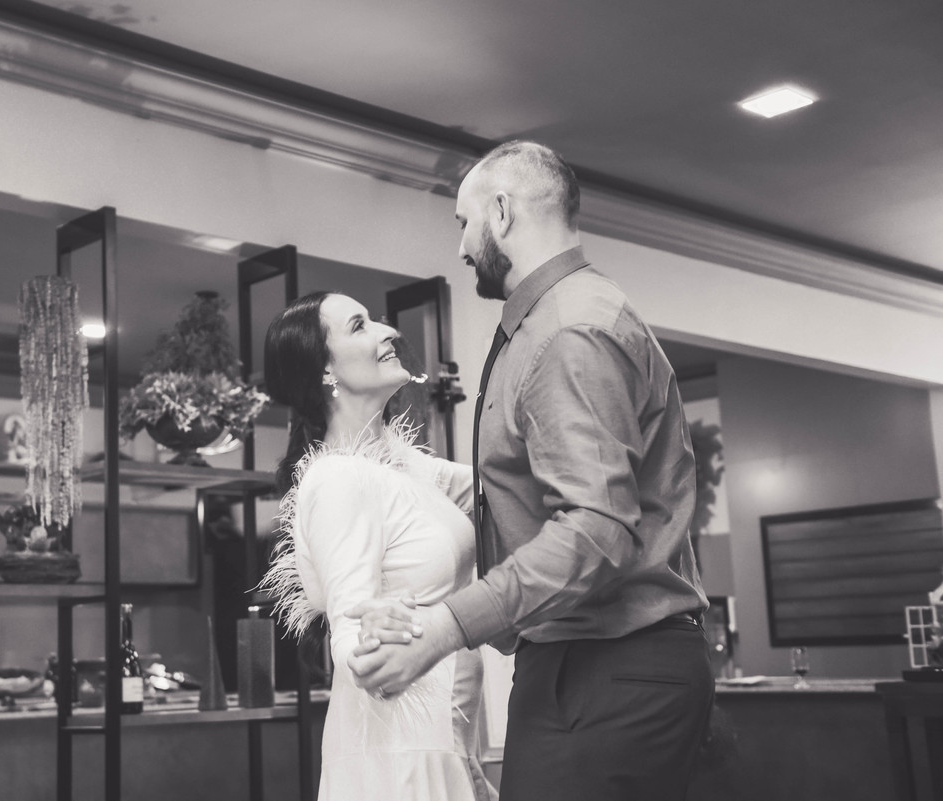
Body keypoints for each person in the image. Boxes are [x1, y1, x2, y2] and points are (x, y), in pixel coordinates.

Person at [346, 140, 714, 801]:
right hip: (590, 666)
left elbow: (596, 528)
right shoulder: (557, 318)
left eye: (464, 222)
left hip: (609, 667)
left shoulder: (568, 331)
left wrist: (446, 627)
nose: (461, 246)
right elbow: (527, 487)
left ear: (502, 211)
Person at [259, 291, 498, 801]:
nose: (388, 332)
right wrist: (367, 650)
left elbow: (495, 486)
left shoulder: (402, 466)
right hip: (400, 753)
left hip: (445, 741)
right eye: (359, 325)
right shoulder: (338, 479)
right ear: (326, 370)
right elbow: (349, 626)